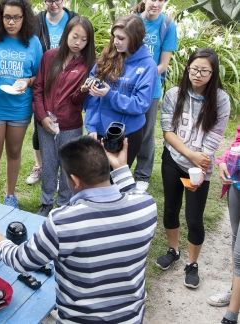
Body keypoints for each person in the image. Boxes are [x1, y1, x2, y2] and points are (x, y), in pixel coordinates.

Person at [0, 136, 157, 322]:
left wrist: (1, 243)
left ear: (74, 180)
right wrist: (121, 167)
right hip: (131, 318)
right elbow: (132, 192)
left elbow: (23, 261)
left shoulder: (63, 222)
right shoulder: (146, 207)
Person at [156, 48, 230, 289]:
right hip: (174, 161)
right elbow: (167, 132)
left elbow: (216, 135)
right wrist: (189, 155)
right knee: (170, 209)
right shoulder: (173, 94)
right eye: (194, 69)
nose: (198, 74)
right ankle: (173, 250)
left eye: (204, 71)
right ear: (188, 68)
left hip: (200, 167)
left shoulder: (220, 99)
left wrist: (202, 160)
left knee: (194, 218)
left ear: (213, 73)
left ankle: (192, 263)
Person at [0, 0, 42, 208]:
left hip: (19, 107)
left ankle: (10, 195)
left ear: (24, 18)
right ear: (0, 17)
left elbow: (39, 76)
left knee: (14, 151)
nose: (11, 22)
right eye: (7, 17)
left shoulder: (33, 42)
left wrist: (27, 81)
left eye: (16, 18)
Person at [32, 15, 95, 216]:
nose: (78, 43)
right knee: (49, 163)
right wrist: (43, 118)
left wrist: (84, 90)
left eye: (84, 40)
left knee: (68, 165)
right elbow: (39, 89)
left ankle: (65, 204)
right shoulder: (50, 56)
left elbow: (78, 102)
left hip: (71, 125)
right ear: (67, 33)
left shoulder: (87, 65)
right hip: (46, 123)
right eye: (75, 36)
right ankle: (46, 202)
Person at [84, 14, 157, 166]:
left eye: (121, 38)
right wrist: (91, 126)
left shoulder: (147, 65)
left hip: (126, 134)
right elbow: (92, 96)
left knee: (116, 182)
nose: (115, 41)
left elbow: (141, 104)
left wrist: (110, 95)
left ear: (135, 38)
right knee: (95, 180)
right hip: (98, 130)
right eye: (114, 36)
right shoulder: (109, 55)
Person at [26, 0, 77, 185]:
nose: (53, 3)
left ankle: (61, 170)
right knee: (39, 127)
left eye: (58, 0)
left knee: (65, 127)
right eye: (49, 0)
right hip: (43, 80)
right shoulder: (36, 21)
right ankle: (40, 165)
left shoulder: (73, 19)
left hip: (67, 81)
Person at [133, 0, 178, 192]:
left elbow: (163, 64)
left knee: (146, 132)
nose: (156, 3)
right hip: (128, 86)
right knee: (125, 128)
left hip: (151, 89)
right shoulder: (133, 21)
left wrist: (144, 78)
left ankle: (142, 174)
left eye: (162, 0)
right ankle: (120, 169)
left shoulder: (167, 25)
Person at [207, 125, 240, 323]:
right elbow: (237, 142)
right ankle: (234, 292)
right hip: (236, 185)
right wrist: (223, 161)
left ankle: (231, 316)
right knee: (235, 238)